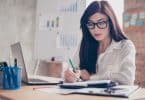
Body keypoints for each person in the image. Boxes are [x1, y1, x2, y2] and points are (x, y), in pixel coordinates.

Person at [64, 0, 136, 85]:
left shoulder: (125, 46)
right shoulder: (85, 44)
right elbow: (75, 69)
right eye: (91, 24)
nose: (95, 29)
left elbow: (127, 79)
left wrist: (91, 78)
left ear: (111, 23)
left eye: (101, 23)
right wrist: (70, 75)